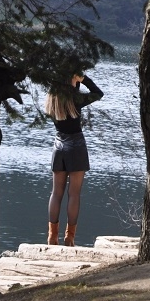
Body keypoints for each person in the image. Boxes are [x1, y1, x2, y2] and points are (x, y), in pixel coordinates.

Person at [45, 72, 104, 246]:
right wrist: (84, 80)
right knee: (74, 194)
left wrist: (74, 82)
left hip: (58, 145)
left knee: (56, 193)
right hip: (76, 146)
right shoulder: (75, 99)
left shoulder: (52, 98)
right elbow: (98, 93)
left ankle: (52, 235)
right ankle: (69, 237)